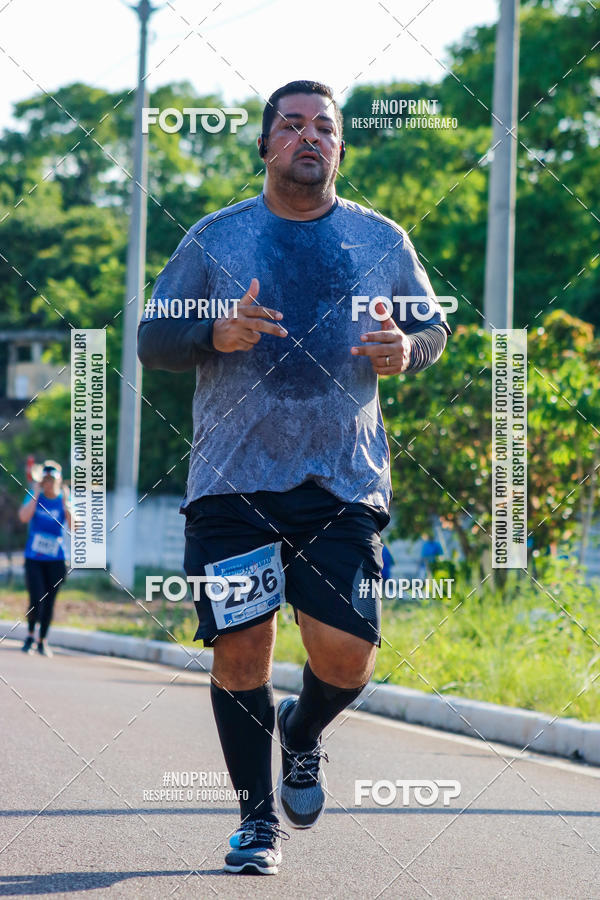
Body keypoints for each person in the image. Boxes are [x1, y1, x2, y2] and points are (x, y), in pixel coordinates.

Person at [138, 79, 451, 875]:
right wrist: (216, 331)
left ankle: (302, 731)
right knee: (241, 648)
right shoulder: (216, 238)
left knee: (348, 656)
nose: (309, 137)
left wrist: (406, 351)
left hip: (340, 481)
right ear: (265, 144)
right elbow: (151, 342)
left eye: (324, 128)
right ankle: (255, 825)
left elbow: (429, 329)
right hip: (233, 482)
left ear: (340, 147)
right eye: (291, 125)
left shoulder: (381, 240)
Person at [18, 460, 71, 657]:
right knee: (36, 598)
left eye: (52, 480)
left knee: (49, 601)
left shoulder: (65, 498)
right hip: (34, 558)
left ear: (58, 481)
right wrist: (35, 493)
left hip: (56, 559)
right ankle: (30, 636)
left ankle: (43, 640)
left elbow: (75, 526)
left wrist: (66, 503)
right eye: (45, 480)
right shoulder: (34, 496)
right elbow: (24, 517)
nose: (48, 484)